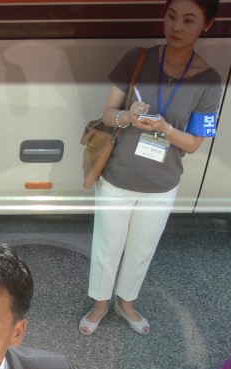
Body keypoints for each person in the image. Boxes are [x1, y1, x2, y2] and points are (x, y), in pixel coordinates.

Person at [79, 0, 222, 336]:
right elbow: (108, 114)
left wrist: (164, 129)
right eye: (171, 16)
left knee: (142, 248)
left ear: (208, 25)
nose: (176, 26)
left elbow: (196, 142)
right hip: (117, 177)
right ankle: (100, 303)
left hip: (163, 183)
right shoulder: (137, 57)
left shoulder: (210, 81)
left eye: (189, 20)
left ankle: (125, 302)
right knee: (107, 245)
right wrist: (128, 116)